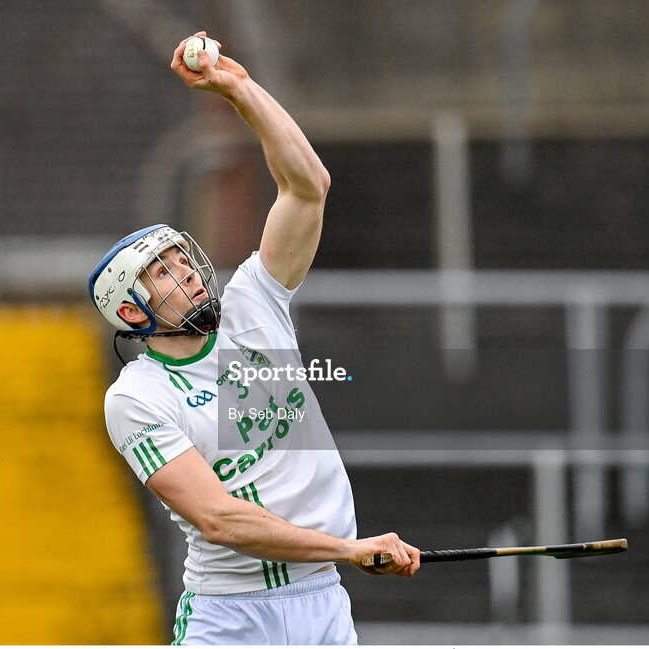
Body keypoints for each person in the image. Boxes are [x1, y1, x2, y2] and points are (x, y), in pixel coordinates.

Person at [89, 32, 420, 645]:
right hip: (233, 618)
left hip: (323, 604)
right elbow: (220, 521)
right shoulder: (136, 397)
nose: (185, 274)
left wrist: (240, 90)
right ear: (133, 315)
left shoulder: (252, 303)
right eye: (160, 274)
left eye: (182, 261)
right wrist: (347, 548)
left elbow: (307, 187)